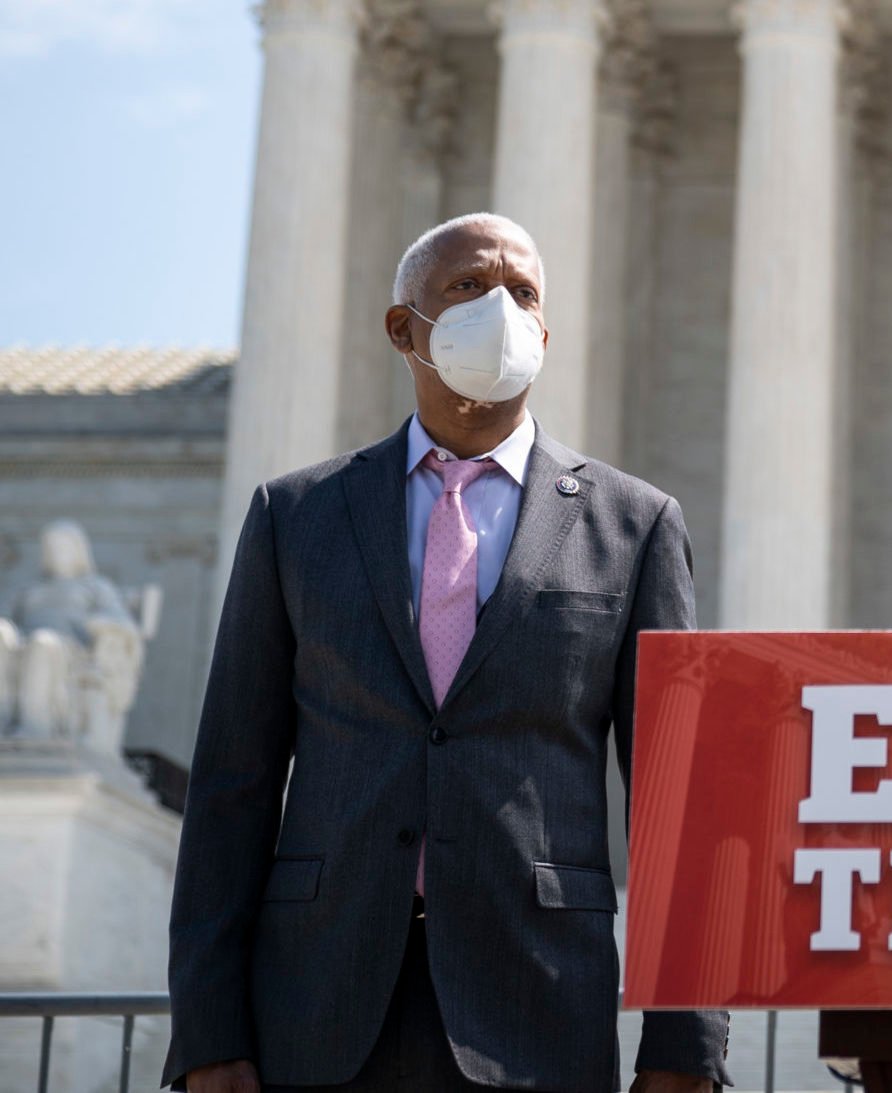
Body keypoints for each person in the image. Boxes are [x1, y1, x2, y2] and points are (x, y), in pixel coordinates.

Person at [164, 213, 729, 1092]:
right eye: (468, 287)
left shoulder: (634, 525)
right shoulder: (297, 516)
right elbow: (231, 782)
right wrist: (207, 1031)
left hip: (538, 1008)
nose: (499, 308)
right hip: (315, 1009)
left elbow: (677, 796)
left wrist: (686, 1043)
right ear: (404, 328)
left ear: (543, 334)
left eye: (523, 294)